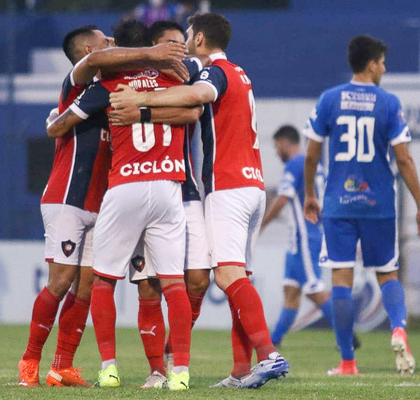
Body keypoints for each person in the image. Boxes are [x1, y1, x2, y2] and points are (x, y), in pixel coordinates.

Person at [109, 12, 289, 389]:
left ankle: (269, 355)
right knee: (236, 278)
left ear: (202, 40)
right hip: (253, 186)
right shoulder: (240, 72)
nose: (186, 40)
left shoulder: (214, 73)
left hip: (227, 187)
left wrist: (141, 98)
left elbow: (198, 95)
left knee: (226, 275)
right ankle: (242, 369)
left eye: (189, 35)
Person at [18, 25, 188, 388]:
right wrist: (153, 53)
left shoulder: (115, 87)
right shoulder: (79, 82)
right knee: (61, 281)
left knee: (87, 285)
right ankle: (30, 361)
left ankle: (61, 365)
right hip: (69, 196)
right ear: (86, 50)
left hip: (105, 201)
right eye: (106, 42)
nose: (113, 45)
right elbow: (62, 118)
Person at [303, 35, 420, 376]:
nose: (385, 68)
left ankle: (348, 362)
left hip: (339, 204)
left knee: (341, 281)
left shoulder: (329, 99)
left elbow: (312, 153)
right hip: (378, 203)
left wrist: (309, 195)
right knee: (387, 273)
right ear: (372, 64)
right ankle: (399, 328)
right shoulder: (388, 103)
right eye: (383, 62)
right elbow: (404, 160)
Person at [118, 20, 211, 390]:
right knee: (148, 285)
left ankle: (175, 353)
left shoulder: (187, 75)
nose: (180, 49)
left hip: (185, 189)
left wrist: (140, 108)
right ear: (154, 46)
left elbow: (192, 111)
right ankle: (158, 369)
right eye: (171, 44)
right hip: (142, 187)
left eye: (182, 43)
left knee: (199, 279)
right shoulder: (128, 76)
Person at [260, 125, 335, 347]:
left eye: (276, 147)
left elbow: (282, 199)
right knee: (291, 290)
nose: (276, 152)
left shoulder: (295, 164)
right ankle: (273, 342)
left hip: (305, 235)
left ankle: (346, 335)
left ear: (285, 142)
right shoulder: (314, 164)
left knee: (314, 289)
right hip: (300, 237)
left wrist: (261, 224)